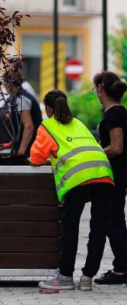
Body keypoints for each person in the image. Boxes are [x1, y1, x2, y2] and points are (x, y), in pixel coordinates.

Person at [30, 90, 114, 291]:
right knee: (98, 228)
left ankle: (66, 276)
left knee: (70, 227)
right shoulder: (78, 123)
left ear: (48, 109)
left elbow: (35, 158)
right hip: (103, 172)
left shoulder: (48, 126)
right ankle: (87, 279)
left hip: (78, 178)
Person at [92, 72, 127, 285]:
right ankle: (121, 266)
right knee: (113, 219)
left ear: (101, 88)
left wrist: (92, 153)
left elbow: (116, 147)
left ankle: (122, 269)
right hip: (116, 175)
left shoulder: (114, 113)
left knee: (113, 220)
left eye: (95, 88)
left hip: (115, 176)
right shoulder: (118, 111)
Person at [2, 66, 42, 155]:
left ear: (10, 84)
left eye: (4, 82)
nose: (4, 85)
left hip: (30, 148)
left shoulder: (21, 99)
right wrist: (13, 143)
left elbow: (29, 127)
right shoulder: (17, 97)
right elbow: (20, 126)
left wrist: (21, 151)